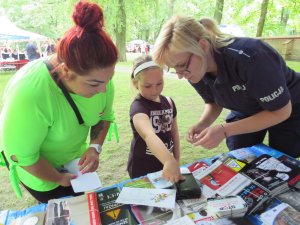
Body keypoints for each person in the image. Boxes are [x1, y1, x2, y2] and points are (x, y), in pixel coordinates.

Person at [0, 1, 118, 203]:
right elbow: (24, 157)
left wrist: (94, 148)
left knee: (86, 206)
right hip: (40, 171)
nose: (103, 90)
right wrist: (58, 178)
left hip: (73, 162)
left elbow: (104, 116)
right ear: (65, 72)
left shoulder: (102, 82)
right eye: (95, 84)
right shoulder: (29, 93)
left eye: (109, 80)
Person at [152, 16, 300, 158]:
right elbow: (213, 101)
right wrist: (203, 123)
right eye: (174, 69)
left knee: (283, 161)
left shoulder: (251, 57)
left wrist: (224, 130)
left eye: (181, 66)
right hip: (246, 108)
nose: (180, 75)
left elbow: (281, 111)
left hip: (290, 106)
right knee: (240, 155)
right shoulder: (195, 69)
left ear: (202, 46)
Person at [127, 55, 183, 182]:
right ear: (136, 84)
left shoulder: (168, 102)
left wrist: (176, 160)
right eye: (147, 86)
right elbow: (149, 135)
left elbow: (174, 132)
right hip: (142, 168)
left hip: (165, 165)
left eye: (159, 83)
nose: (155, 90)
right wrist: (169, 160)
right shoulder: (138, 107)